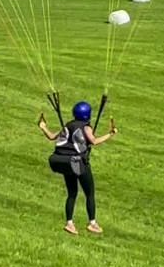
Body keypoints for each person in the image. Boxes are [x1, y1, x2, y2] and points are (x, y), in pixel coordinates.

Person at [38, 100, 114, 235]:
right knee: (89, 193)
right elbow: (94, 141)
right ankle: (92, 223)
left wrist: (43, 126)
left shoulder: (68, 125)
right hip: (76, 162)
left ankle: (69, 223)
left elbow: (51, 137)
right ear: (88, 115)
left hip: (63, 161)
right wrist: (110, 134)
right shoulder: (86, 127)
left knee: (72, 193)